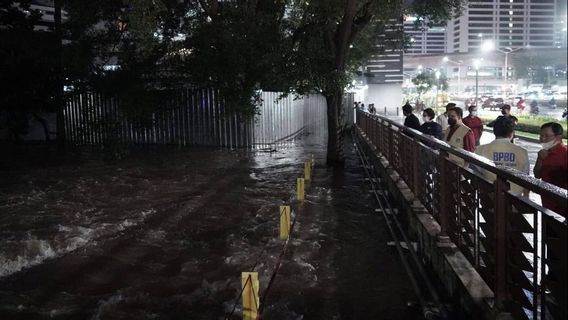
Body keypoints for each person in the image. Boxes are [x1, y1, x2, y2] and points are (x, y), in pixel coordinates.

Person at [475, 116, 529, 196]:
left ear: (494, 131)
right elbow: (526, 178)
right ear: (512, 133)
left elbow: (476, 173)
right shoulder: (522, 152)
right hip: (515, 200)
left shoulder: (480, 150)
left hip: (489, 198)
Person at [534, 122, 568, 216]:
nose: (542, 139)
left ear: (558, 137)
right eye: (541, 135)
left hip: (562, 206)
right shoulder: (543, 153)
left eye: (546, 136)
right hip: (546, 203)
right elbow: (537, 175)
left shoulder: (565, 153)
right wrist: (540, 160)